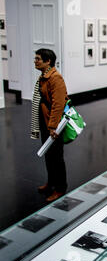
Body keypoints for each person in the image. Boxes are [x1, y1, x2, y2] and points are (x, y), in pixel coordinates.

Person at [31, 48, 69, 202]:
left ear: (48, 61)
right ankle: (51, 183)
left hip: (53, 123)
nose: (35, 61)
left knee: (57, 157)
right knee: (49, 155)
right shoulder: (43, 77)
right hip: (45, 120)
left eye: (38, 58)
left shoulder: (55, 78)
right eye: (35, 58)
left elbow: (58, 104)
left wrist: (53, 126)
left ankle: (60, 188)